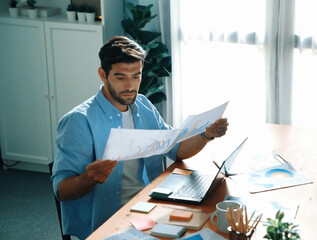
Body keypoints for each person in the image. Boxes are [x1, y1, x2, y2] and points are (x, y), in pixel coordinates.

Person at [51, 36, 228, 239]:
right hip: (107, 222)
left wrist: (206, 135)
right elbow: (61, 190)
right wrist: (89, 178)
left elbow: (176, 149)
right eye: (121, 77)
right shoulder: (79, 121)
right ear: (103, 74)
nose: (130, 86)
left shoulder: (142, 106)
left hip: (147, 209)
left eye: (136, 76)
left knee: (210, 223)